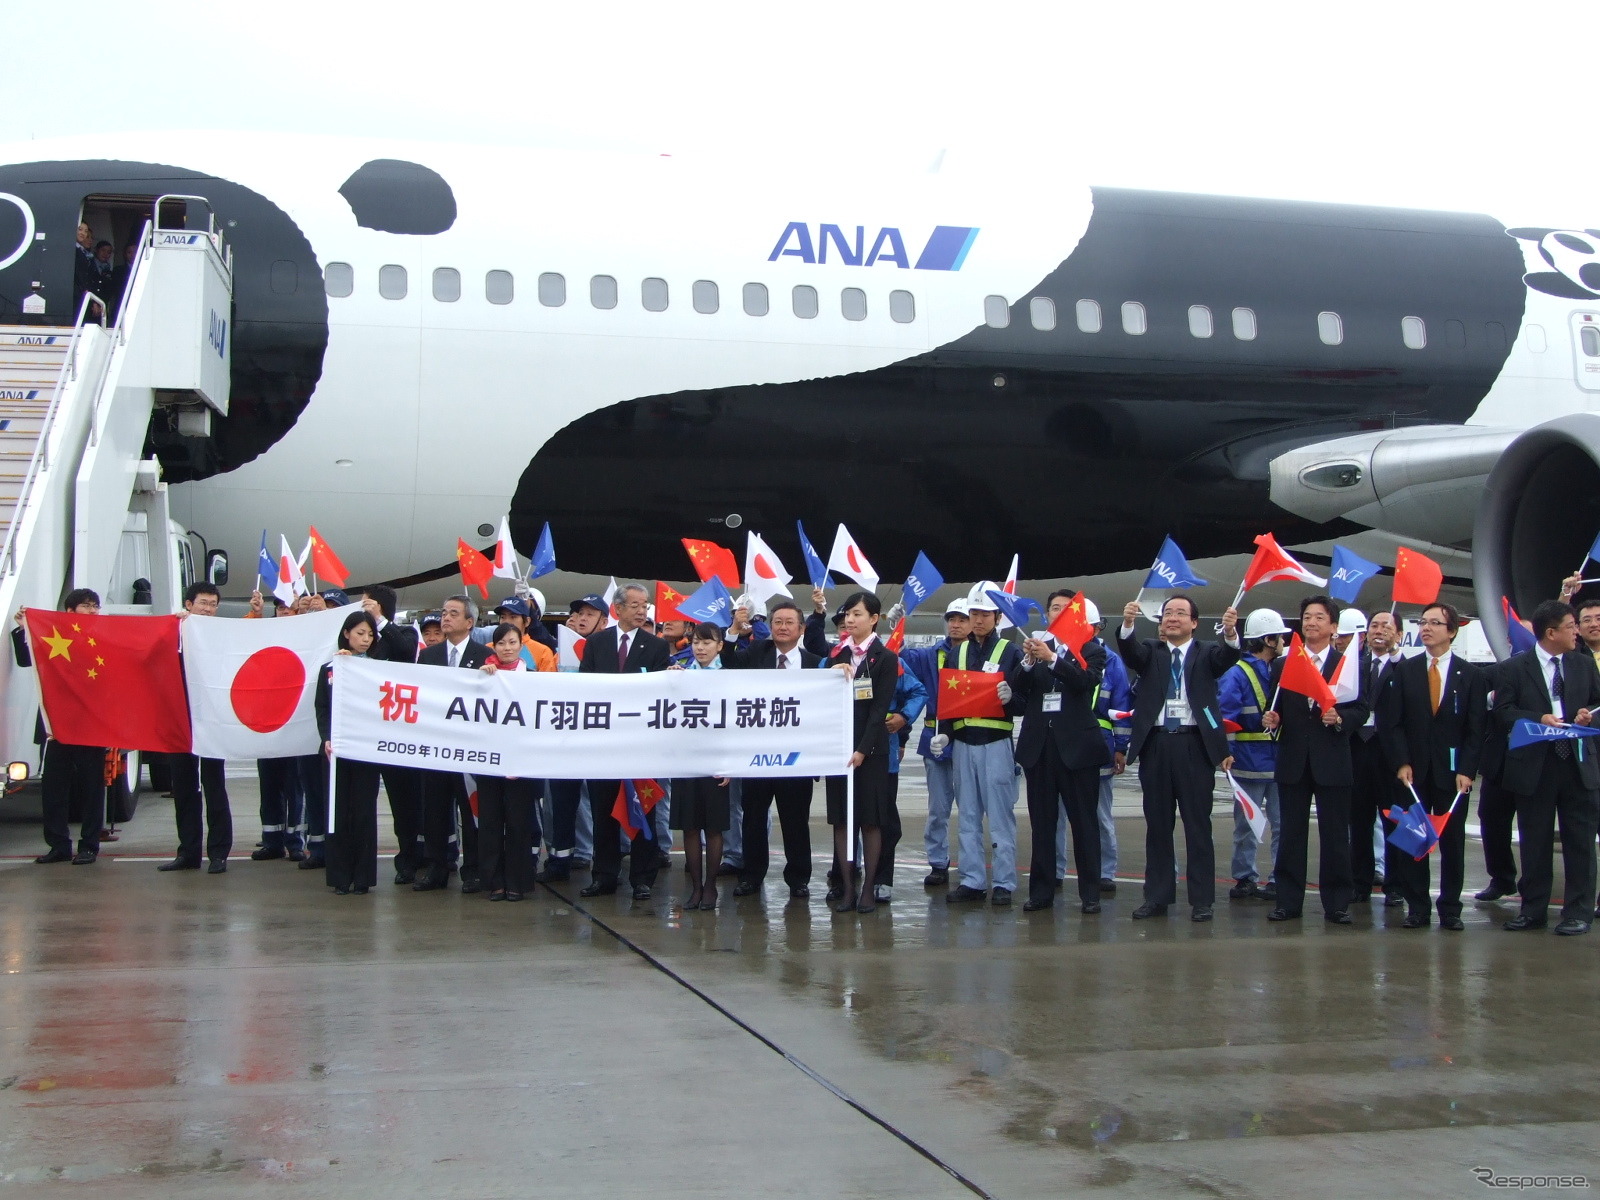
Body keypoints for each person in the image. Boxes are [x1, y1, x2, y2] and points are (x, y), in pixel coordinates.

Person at [1117, 593, 1241, 921]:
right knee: (1158, 826)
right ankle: (1156, 897)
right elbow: (1130, 651)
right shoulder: (1152, 651)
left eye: (1180, 613)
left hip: (1193, 747)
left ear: (1194, 622)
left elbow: (1227, 657)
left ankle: (1202, 901)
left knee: (1198, 825)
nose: (1172, 618)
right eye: (1167, 613)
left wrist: (1230, 633)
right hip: (1156, 746)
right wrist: (1127, 624)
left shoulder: (1205, 653)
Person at [1492, 599, 1600, 936]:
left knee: (1580, 841)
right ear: (1550, 632)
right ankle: (1533, 909)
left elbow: (1597, 701)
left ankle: (1578, 912)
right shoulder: (1514, 668)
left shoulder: (1583, 664)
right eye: (1571, 627)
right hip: (1536, 764)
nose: (1577, 632)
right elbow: (1503, 712)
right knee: (1534, 840)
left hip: (1577, 763)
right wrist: (1538, 718)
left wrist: (1587, 714)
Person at [1260, 595, 1369, 924]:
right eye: (1307, 617)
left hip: (1332, 760)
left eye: (1319, 618)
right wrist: (1272, 719)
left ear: (1333, 627)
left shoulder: (1347, 664)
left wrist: (1339, 719)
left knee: (1336, 836)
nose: (1311, 623)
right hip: (1293, 759)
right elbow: (1273, 706)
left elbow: (1360, 710)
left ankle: (1337, 903)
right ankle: (1288, 902)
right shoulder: (1284, 663)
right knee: (1291, 834)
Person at [1378, 602, 1486, 930]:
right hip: (1413, 773)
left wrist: (1467, 769)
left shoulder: (1470, 675)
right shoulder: (1406, 671)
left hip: (1453, 774)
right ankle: (1418, 907)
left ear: (1451, 630)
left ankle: (1450, 909)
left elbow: (1476, 728)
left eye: (1435, 623)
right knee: (1416, 841)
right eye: (1423, 622)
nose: (1426, 628)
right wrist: (1400, 762)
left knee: (1452, 842)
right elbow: (1390, 723)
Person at [1013, 597, 1109, 913]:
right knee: (1042, 823)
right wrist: (1028, 661)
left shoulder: (1092, 650)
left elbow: (1084, 682)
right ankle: (1041, 892)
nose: (1058, 612)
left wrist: (1052, 658)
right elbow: (1018, 687)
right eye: (1053, 608)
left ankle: (1090, 893)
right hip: (1040, 747)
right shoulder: (1038, 647)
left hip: (1078, 749)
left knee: (1084, 823)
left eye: (1065, 608)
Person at [722, 598, 822, 898]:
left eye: (789, 622)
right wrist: (733, 631)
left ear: (801, 628)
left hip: (797, 757)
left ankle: (798, 878)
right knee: (753, 818)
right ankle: (751, 876)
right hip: (758, 756)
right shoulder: (756, 652)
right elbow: (727, 663)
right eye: (777, 621)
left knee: (795, 821)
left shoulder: (816, 663)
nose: (782, 627)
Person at [579, 583, 671, 901]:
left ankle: (643, 878)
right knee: (603, 811)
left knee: (642, 811)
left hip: (641, 746)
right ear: (618, 608)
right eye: (635, 605)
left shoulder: (656, 647)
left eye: (644, 605)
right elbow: (583, 686)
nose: (642, 610)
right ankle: (604, 875)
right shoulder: (597, 644)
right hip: (604, 745)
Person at [938, 582, 1026, 906]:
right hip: (963, 743)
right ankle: (972, 881)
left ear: (997, 617)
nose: (977, 619)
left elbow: (1025, 701)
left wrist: (1011, 699)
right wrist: (943, 731)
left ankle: (1003, 882)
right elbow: (947, 697)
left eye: (984, 614)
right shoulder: (956, 651)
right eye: (973, 612)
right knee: (969, 816)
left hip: (996, 743)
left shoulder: (1011, 652)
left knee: (1001, 817)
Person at [11, 589, 107, 865]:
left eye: (95, 606)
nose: (93, 611)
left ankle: (89, 845)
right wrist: (25, 629)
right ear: (69, 611)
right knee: (54, 790)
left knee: (91, 789)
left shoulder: (102, 637)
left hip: (91, 725)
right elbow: (25, 660)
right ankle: (58, 845)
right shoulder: (54, 637)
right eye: (87, 606)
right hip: (56, 726)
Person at [824, 591, 899, 913]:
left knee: (870, 821)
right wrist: (833, 673)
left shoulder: (885, 658)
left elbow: (879, 709)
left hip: (871, 752)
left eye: (857, 614)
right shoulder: (835, 657)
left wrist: (862, 750)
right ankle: (848, 888)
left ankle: (869, 888)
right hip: (839, 751)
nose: (850, 620)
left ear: (874, 619)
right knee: (842, 821)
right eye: (847, 615)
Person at [413, 595, 490, 892]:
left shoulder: (484, 656)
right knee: (434, 809)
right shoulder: (429, 656)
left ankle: (472, 868)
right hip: (436, 747)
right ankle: (437, 866)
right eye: (444, 612)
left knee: (470, 809)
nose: (445, 618)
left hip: (469, 749)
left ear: (469, 622)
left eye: (453, 613)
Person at [161, 583, 234, 874]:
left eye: (213, 603)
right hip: (180, 722)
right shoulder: (173, 631)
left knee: (215, 787)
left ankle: (219, 853)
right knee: (184, 790)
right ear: (188, 604)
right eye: (203, 602)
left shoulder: (222, 635)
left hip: (212, 722)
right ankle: (188, 853)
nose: (208, 608)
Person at [899, 598, 971, 889]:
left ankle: (970, 864)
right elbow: (898, 656)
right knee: (938, 808)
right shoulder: (930, 655)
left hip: (968, 739)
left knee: (970, 808)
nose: (955, 624)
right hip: (935, 741)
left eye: (962, 619)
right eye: (951, 619)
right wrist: (896, 627)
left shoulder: (979, 654)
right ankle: (938, 863)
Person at [538, 594, 610, 883]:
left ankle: (603, 866)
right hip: (565, 740)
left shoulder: (609, 651)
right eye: (578, 612)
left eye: (589, 614)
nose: (581, 618)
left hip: (598, 743)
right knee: (563, 806)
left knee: (600, 806)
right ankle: (559, 862)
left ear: (604, 622)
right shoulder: (560, 651)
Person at [1217, 608, 1288, 900]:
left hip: (1280, 761)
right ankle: (1245, 877)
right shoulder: (1237, 673)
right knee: (1246, 824)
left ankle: (1278, 877)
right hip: (1248, 762)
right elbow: (1227, 716)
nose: (1283, 641)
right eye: (1279, 636)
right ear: (1268, 640)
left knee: (1282, 825)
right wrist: (1227, 752)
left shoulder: (1282, 670)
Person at [316, 612, 383, 895]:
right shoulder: (330, 669)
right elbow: (321, 708)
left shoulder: (378, 669)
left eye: (369, 635)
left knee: (364, 813)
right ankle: (340, 876)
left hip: (366, 750)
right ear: (346, 634)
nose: (365, 640)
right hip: (337, 751)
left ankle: (363, 877)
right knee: (339, 812)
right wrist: (326, 738)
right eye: (359, 633)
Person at [362, 585, 426, 884]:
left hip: (395, 735)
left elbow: (403, 651)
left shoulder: (403, 634)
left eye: (369, 603)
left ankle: (408, 860)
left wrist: (380, 622)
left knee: (404, 804)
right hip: (364, 734)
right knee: (361, 803)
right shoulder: (362, 639)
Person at [670, 622, 734, 910]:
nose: (700, 647)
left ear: (720, 645)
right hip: (686, 760)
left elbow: (737, 723)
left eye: (707, 642)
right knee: (690, 826)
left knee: (714, 827)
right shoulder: (680, 674)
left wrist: (730, 763)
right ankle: (695, 887)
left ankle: (711, 887)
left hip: (716, 762)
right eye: (696, 641)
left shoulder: (727, 676)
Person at [475, 623, 540, 901]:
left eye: (512, 642)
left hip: (521, 763)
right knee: (490, 822)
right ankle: (494, 881)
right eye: (501, 643)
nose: (507, 648)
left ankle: (517, 881)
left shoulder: (533, 677)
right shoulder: (483, 675)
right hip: (489, 762)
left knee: (518, 824)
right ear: (494, 646)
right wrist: (481, 678)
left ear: (521, 645)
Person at [1350, 610, 1405, 906]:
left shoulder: (1404, 668)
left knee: (1393, 820)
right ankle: (1359, 882)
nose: (1378, 630)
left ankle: (1395, 884)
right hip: (1358, 752)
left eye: (1386, 626)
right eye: (1374, 625)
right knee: (1358, 821)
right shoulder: (1354, 667)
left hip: (1389, 755)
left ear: (1397, 634)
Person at [492, 596, 557, 671]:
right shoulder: (488, 648)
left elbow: (547, 681)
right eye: (503, 617)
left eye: (513, 617)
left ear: (527, 621)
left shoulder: (543, 652)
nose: (507, 621)